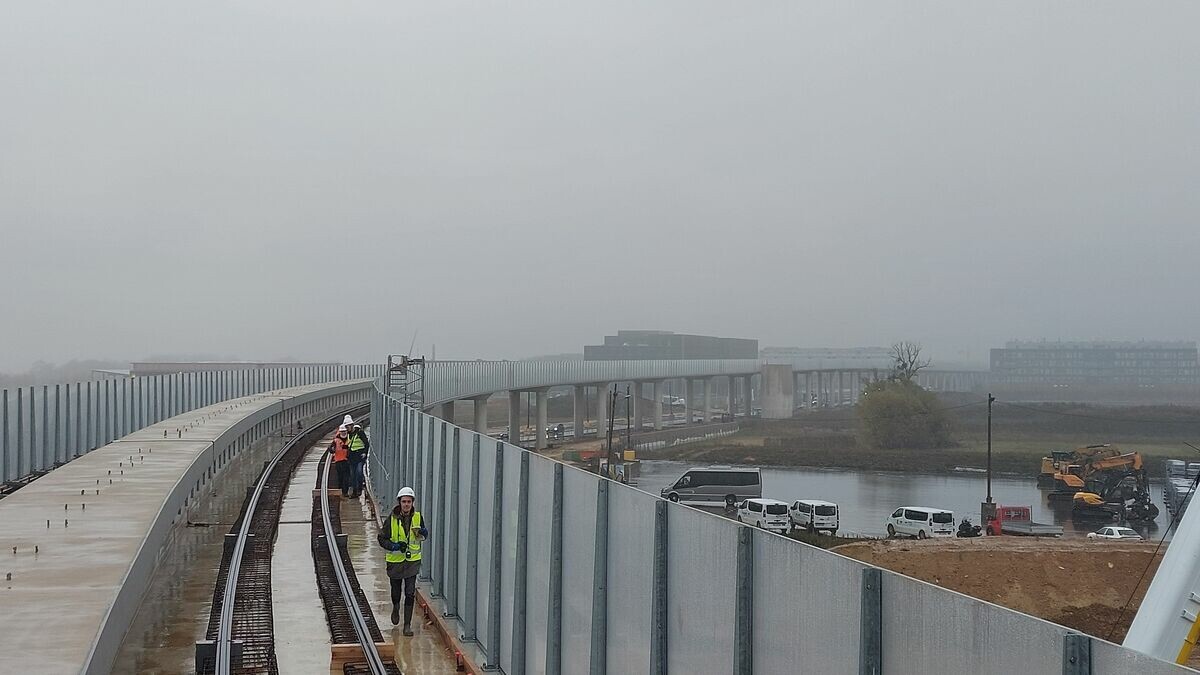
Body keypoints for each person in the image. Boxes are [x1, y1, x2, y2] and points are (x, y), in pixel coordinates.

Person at [376, 486, 428, 636]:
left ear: (412, 503)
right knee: (396, 591)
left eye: (409, 501)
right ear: (399, 503)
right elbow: (381, 538)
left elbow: (421, 536)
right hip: (395, 562)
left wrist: (424, 533)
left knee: (410, 592)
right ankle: (396, 606)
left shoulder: (418, 517)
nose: (406, 504)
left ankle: (407, 625)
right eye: (404, 501)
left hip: (412, 561)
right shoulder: (391, 520)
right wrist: (394, 546)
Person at [346, 423, 369, 498]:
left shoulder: (360, 433)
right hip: (352, 457)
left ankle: (359, 488)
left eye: (347, 426)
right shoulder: (348, 434)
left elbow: (366, 443)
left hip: (359, 456)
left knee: (359, 472)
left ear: (351, 425)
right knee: (352, 475)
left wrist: (365, 453)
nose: (347, 428)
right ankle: (355, 492)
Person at [330, 426, 351, 494]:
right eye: (342, 431)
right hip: (338, 461)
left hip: (347, 460)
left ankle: (345, 491)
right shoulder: (336, 440)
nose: (343, 433)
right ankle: (341, 488)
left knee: (346, 476)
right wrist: (332, 449)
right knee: (340, 476)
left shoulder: (349, 438)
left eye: (344, 431)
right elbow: (331, 450)